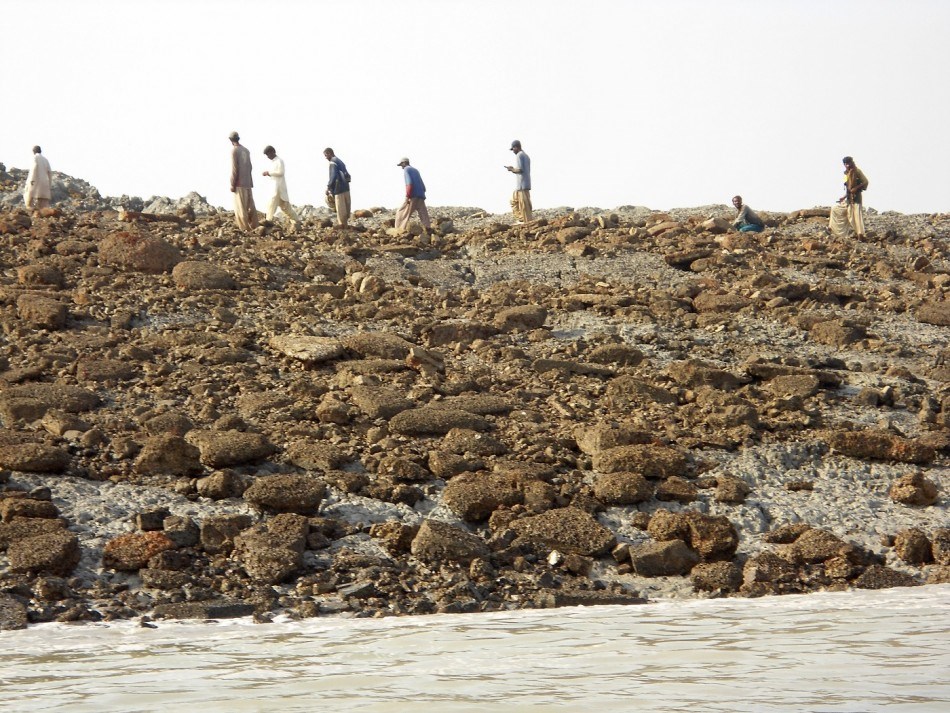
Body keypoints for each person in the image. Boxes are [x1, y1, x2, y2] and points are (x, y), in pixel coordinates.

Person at [262, 145, 300, 230]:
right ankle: (296, 220)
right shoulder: (273, 162)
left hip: (278, 187)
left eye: (268, 154)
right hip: (275, 187)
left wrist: (269, 173)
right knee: (285, 207)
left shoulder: (279, 161)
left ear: (272, 152)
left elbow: (281, 172)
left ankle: (268, 220)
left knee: (273, 203)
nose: (268, 157)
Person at [229, 131, 258, 231]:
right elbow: (250, 166)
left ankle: (245, 228)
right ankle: (255, 225)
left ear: (230, 140)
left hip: (239, 183)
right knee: (250, 206)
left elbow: (235, 169)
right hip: (248, 182)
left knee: (240, 207)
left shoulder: (234, 151)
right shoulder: (246, 150)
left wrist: (232, 183)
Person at [394, 158, 431, 233]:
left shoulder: (407, 170)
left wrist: (408, 196)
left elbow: (409, 184)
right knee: (423, 215)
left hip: (413, 195)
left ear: (404, 163)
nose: (401, 167)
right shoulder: (416, 170)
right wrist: (421, 193)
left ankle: (399, 230)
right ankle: (428, 229)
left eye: (401, 165)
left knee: (402, 212)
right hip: (421, 195)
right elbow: (423, 187)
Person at [840, 156, 869, 238]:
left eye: (848, 163)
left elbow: (865, 182)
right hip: (849, 198)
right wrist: (844, 197)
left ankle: (861, 234)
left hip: (857, 197)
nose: (847, 165)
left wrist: (856, 188)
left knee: (857, 216)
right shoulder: (846, 174)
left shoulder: (858, 171)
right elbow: (848, 188)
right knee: (850, 216)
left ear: (852, 162)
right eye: (846, 164)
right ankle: (857, 233)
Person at [505, 139, 532, 223]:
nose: (513, 151)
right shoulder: (526, 156)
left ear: (516, 147)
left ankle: (526, 222)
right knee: (514, 201)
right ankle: (522, 219)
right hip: (524, 184)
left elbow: (520, 170)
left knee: (524, 205)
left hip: (521, 185)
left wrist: (511, 169)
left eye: (513, 149)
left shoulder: (519, 155)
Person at [324, 147, 351, 227]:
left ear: (330, 153)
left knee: (340, 209)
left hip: (339, 189)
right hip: (346, 188)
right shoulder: (340, 161)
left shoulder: (333, 162)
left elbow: (333, 176)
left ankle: (342, 227)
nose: (326, 158)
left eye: (326, 155)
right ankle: (345, 225)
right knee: (346, 209)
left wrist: (329, 187)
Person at [24, 145, 53, 211]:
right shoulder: (45, 160)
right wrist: (49, 184)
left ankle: (30, 213)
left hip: (36, 181)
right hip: (45, 182)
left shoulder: (35, 158)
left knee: (29, 197)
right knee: (43, 203)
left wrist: (31, 180)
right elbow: (49, 172)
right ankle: (45, 216)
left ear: (33, 151)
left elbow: (34, 168)